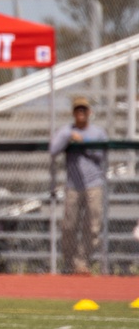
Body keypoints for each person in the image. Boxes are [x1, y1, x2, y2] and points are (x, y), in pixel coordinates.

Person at [49, 96, 107, 275]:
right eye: (77, 110)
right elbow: (52, 149)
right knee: (69, 226)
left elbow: (101, 156)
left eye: (84, 109)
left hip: (93, 185)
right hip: (72, 185)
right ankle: (70, 264)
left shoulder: (98, 132)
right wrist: (68, 137)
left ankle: (83, 263)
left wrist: (84, 143)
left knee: (92, 226)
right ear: (73, 113)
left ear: (89, 112)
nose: (80, 113)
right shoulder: (66, 131)